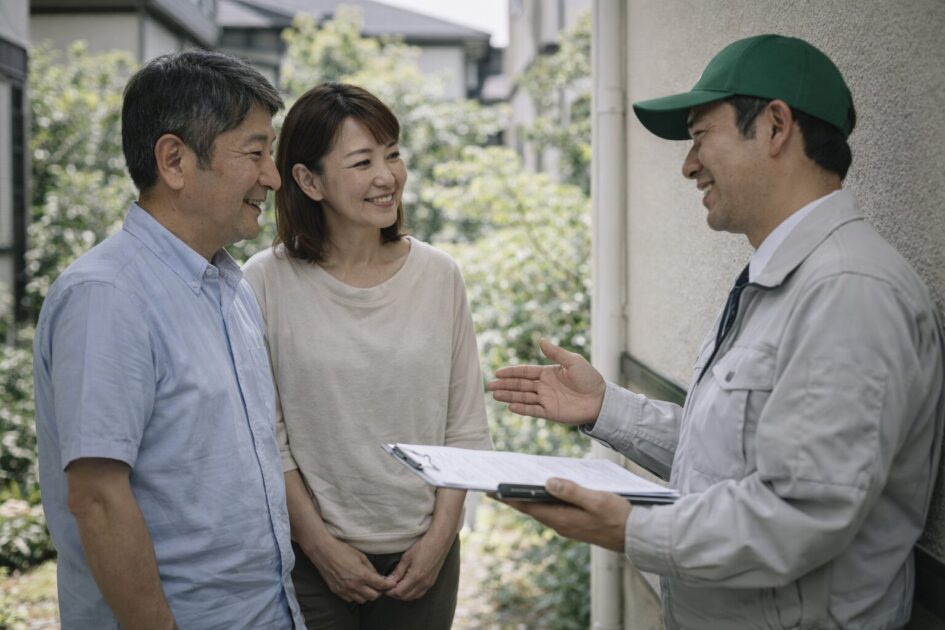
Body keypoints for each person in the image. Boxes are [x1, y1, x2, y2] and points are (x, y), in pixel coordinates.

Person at [489, 34, 945, 628]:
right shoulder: (784, 277)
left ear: (776, 126)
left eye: (701, 135)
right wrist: (606, 408)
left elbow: (799, 515)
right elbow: (733, 458)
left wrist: (628, 527)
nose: (688, 164)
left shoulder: (849, 290)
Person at [33, 49, 304, 629]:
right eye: (255, 152)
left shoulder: (230, 286)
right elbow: (98, 499)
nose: (273, 177)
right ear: (175, 160)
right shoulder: (107, 296)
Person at [242, 82, 492, 629]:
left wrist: (439, 541)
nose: (387, 177)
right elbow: (266, 433)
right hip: (311, 557)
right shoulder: (264, 281)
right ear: (308, 181)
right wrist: (320, 547)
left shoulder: (439, 275)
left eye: (393, 154)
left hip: (424, 557)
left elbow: (465, 428)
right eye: (362, 162)